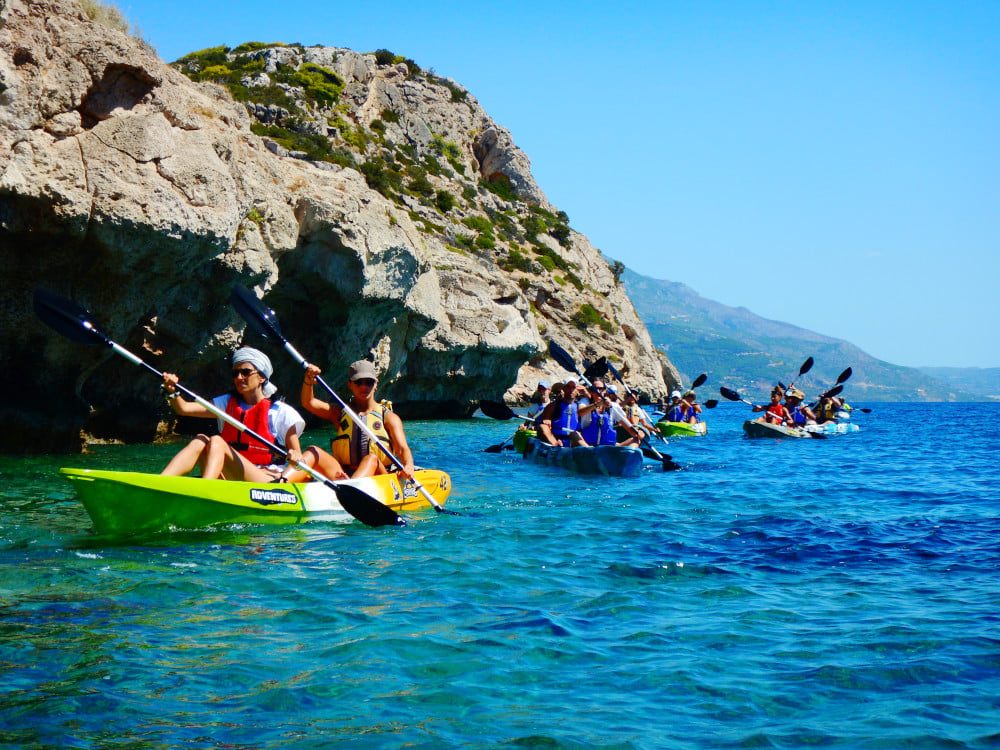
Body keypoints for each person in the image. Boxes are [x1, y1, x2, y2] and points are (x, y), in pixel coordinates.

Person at [160, 347, 305, 481]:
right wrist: (172, 391)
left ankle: (206, 487)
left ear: (262, 378)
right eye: (235, 373)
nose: (239, 377)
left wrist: (294, 459)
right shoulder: (226, 403)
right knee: (201, 439)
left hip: (264, 476)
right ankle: (161, 481)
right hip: (231, 473)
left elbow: (298, 460)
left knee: (216, 441)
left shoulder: (281, 412)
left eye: (246, 372)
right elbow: (184, 408)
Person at [284, 359, 415, 481]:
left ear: (376, 384)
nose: (363, 387)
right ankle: (282, 484)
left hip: (379, 475)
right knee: (313, 450)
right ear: (350, 384)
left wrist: (408, 465)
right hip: (344, 474)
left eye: (368, 382)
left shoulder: (388, 417)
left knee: (371, 459)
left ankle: (350, 487)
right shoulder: (340, 413)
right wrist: (309, 379)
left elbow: (402, 449)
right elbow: (309, 402)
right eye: (358, 382)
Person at [537, 378, 588, 447]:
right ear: (563, 389)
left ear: (577, 390)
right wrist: (547, 421)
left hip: (574, 441)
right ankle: (556, 446)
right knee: (543, 427)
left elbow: (594, 403)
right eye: (568, 387)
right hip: (556, 440)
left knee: (575, 433)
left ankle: (589, 450)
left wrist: (587, 393)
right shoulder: (553, 406)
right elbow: (545, 421)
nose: (571, 390)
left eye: (573, 387)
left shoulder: (580, 406)